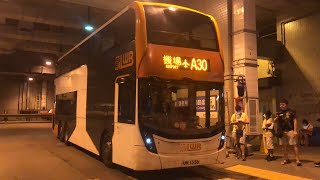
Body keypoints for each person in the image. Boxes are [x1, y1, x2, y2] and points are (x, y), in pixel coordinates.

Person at [274, 98, 302, 166]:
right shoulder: (279, 112)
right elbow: (274, 121)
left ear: (286, 105)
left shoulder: (291, 111)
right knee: (284, 146)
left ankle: (297, 160)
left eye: (283, 104)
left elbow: (295, 121)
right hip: (282, 131)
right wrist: (277, 117)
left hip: (290, 130)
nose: (281, 106)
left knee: (294, 145)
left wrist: (295, 131)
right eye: (280, 105)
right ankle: (286, 159)